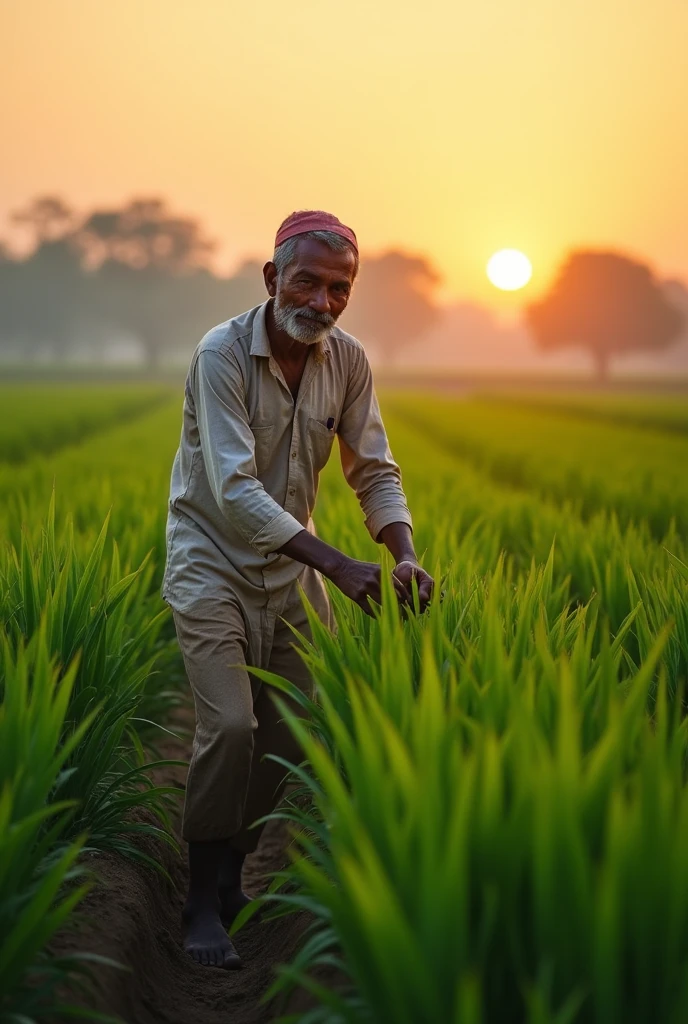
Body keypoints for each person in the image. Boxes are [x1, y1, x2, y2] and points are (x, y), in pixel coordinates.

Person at [161, 209, 435, 969]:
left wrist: (401, 553)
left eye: (339, 288)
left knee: (297, 726)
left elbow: (373, 467)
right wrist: (340, 565)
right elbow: (235, 488)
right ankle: (196, 901)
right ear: (272, 279)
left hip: (289, 573)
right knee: (231, 727)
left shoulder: (346, 361)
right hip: (212, 560)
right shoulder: (220, 355)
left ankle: (231, 873)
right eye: (307, 282)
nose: (321, 301)